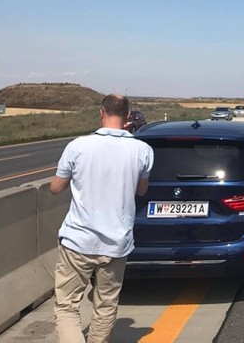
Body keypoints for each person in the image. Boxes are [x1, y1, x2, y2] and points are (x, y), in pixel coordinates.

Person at [49, 94, 154, 343]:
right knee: (106, 305)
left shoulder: (78, 146)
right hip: (116, 243)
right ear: (128, 116)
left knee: (66, 306)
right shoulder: (143, 150)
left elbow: (55, 188)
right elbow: (142, 190)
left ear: (101, 112)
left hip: (78, 240)